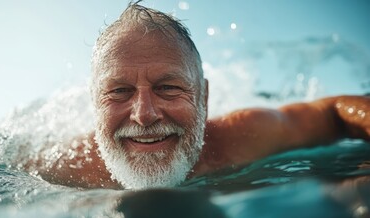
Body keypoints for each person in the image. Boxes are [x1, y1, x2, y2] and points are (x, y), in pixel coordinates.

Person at [25, 3, 370, 189]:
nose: (144, 115)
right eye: (119, 92)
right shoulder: (59, 168)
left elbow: (334, 112)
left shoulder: (244, 137)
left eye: (168, 88)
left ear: (204, 99)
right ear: (95, 104)